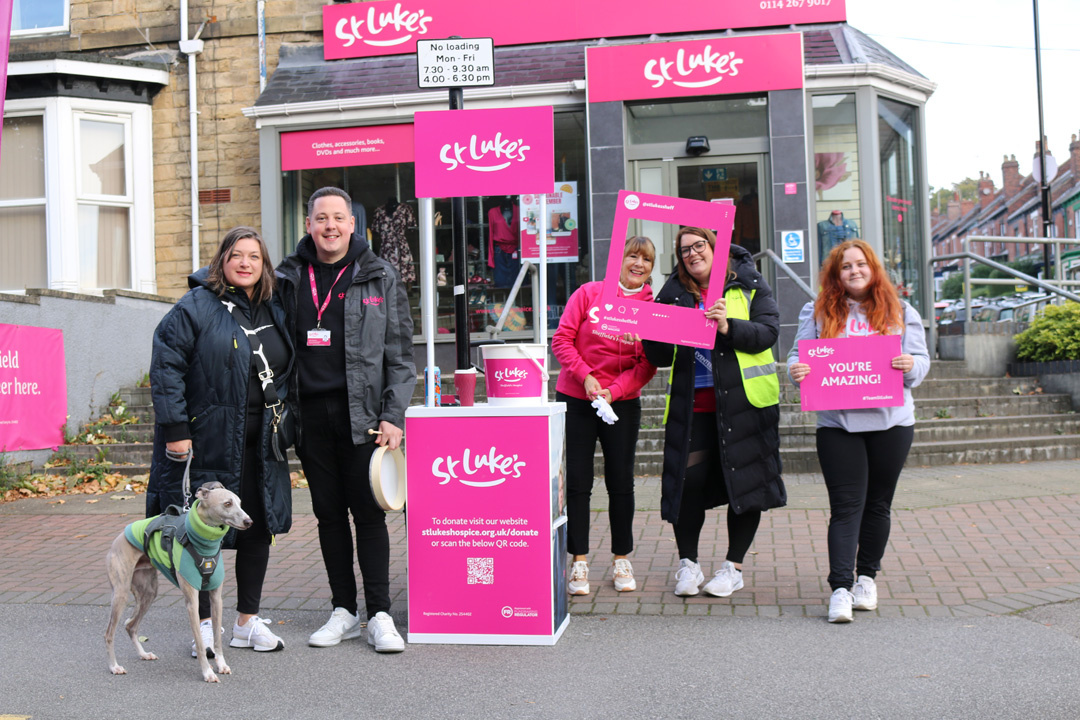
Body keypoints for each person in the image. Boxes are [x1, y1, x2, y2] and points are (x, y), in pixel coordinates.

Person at [276, 187, 415, 653]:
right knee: (328, 516)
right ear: (309, 225)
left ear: (353, 224)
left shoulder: (379, 274)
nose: (330, 226)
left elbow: (400, 355)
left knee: (369, 516)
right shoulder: (289, 277)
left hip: (366, 418)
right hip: (309, 416)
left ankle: (379, 614)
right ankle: (344, 611)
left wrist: (393, 415)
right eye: (321, 218)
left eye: (338, 217)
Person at [148, 226, 294, 656]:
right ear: (222, 261)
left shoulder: (274, 307)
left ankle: (247, 622)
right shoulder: (195, 306)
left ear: (264, 264)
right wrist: (176, 429)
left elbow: (289, 370)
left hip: (261, 444)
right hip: (207, 440)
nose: (245, 263)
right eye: (237, 255)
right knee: (199, 537)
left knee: (257, 526)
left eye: (254, 256)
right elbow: (166, 365)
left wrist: (291, 426)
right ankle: (206, 630)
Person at [787, 239, 929, 623]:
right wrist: (796, 371)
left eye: (860, 264)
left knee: (878, 504)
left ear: (873, 268)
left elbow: (921, 361)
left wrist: (908, 364)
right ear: (836, 275)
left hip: (892, 422)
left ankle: (866, 578)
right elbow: (798, 356)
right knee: (846, 507)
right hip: (838, 424)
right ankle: (839, 588)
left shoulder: (900, 309)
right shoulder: (815, 310)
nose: (854, 271)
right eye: (845, 266)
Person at [642, 227, 786, 598]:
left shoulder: (749, 283)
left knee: (746, 484)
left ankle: (732, 568)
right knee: (687, 487)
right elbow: (658, 357)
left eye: (698, 245)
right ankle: (688, 565)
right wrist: (647, 332)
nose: (692, 254)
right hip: (694, 408)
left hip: (745, 405)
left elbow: (769, 332)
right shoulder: (672, 294)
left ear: (714, 247)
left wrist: (727, 326)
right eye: (684, 249)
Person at [552, 237, 658, 596]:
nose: (638, 263)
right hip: (577, 396)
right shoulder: (588, 293)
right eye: (633, 255)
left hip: (622, 402)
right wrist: (586, 377)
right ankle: (579, 561)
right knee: (579, 482)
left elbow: (648, 363)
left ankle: (620, 557)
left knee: (621, 482)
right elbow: (562, 340)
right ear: (619, 259)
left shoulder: (651, 308)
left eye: (646, 259)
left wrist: (615, 391)